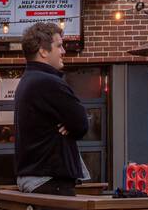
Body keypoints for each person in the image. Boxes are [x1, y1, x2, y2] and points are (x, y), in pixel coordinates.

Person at [13, 21, 90, 196]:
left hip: (36, 180)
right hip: (49, 183)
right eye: (59, 46)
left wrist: (70, 124)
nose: (63, 51)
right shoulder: (48, 82)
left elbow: (76, 122)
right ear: (43, 51)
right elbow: (81, 124)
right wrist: (71, 125)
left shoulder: (28, 81)